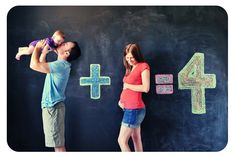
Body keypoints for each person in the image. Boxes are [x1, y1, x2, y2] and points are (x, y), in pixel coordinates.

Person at [30, 39, 81, 152]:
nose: (63, 43)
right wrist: (44, 53)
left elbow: (34, 65)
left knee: (58, 146)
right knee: (57, 144)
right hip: (52, 107)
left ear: (67, 53)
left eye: (66, 44)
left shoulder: (60, 65)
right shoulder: (60, 65)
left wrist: (38, 48)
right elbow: (42, 66)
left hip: (53, 107)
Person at [118, 43, 150, 152]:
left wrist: (128, 86)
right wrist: (121, 100)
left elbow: (146, 88)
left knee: (122, 141)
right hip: (129, 108)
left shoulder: (143, 66)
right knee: (136, 139)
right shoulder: (130, 68)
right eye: (127, 57)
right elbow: (125, 89)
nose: (129, 60)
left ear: (137, 55)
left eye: (132, 57)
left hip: (134, 109)